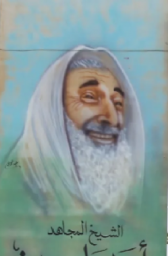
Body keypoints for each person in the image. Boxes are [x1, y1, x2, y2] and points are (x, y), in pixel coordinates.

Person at [1, 46, 144, 216]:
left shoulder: (131, 205)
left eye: (118, 103)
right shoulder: (13, 192)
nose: (111, 118)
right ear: (53, 110)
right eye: (90, 97)